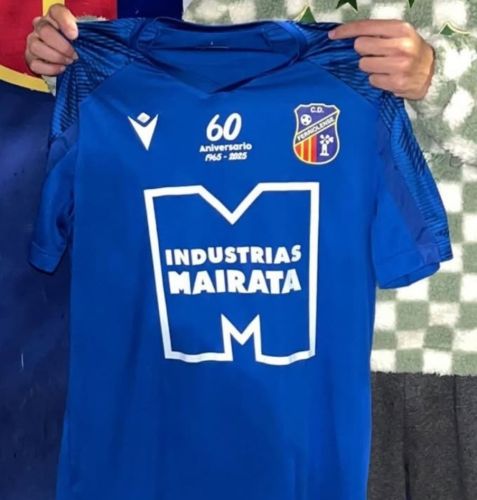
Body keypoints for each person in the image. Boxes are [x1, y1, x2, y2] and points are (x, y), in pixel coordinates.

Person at [25, 2, 477, 499]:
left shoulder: (352, 84)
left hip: (437, 351)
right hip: (229, 394)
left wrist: (438, 76)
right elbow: (172, 75)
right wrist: (76, 57)